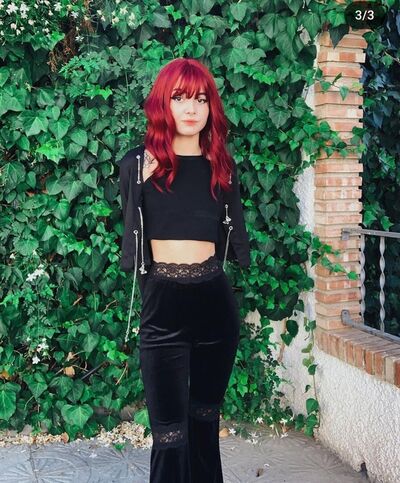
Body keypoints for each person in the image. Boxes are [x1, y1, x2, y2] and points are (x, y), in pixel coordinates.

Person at [118, 57, 251, 483]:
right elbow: (133, 229)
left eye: (200, 99)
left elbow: (232, 231)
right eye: (180, 98)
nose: (191, 108)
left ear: (211, 107)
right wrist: (141, 176)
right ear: (163, 103)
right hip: (163, 309)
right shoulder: (138, 165)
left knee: (204, 424)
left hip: (214, 305)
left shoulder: (221, 167)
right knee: (169, 435)